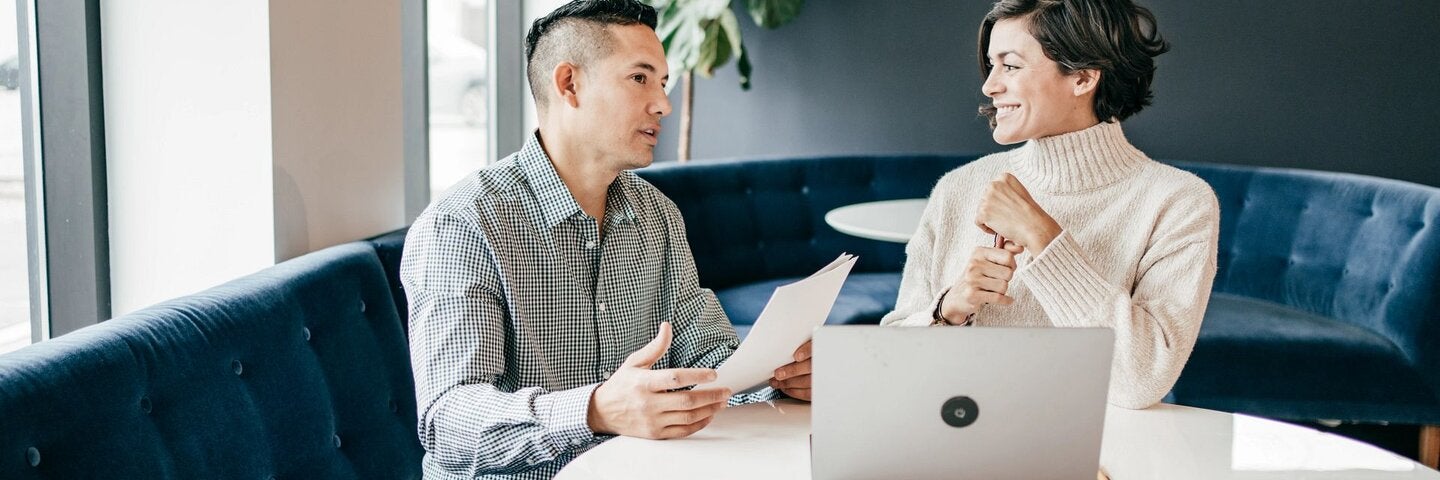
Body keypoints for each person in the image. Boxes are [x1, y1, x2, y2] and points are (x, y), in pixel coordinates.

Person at [400, 1, 811, 478]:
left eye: (662, 82)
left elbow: (709, 357)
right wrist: (594, 410)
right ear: (569, 84)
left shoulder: (656, 213)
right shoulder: (463, 224)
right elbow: (448, 424)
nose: (663, 103)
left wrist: (779, 379)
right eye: (640, 78)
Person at [880, 0, 1219, 410]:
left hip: (1098, 457)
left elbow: (1139, 381)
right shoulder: (959, 187)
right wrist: (949, 308)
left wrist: (1044, 239)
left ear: (1082, 76)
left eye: (1011, 65)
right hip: (952, 443)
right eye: (991, 65)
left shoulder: (1178, 202)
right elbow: (892, 360)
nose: (989, 86)